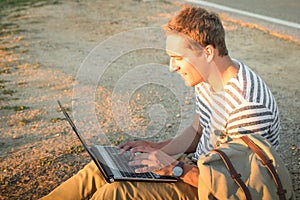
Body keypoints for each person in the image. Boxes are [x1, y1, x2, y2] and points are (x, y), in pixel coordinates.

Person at [41, 5, 280, 200]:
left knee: (115, 193)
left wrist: (175, 168)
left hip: (212, 188)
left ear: (207, 52)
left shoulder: (247, 107)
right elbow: (198, 131)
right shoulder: (209, 76)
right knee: (103, 167)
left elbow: (238, 186)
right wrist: (156, 148)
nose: (172, 67)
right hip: (199, 169)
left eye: (178, 58)